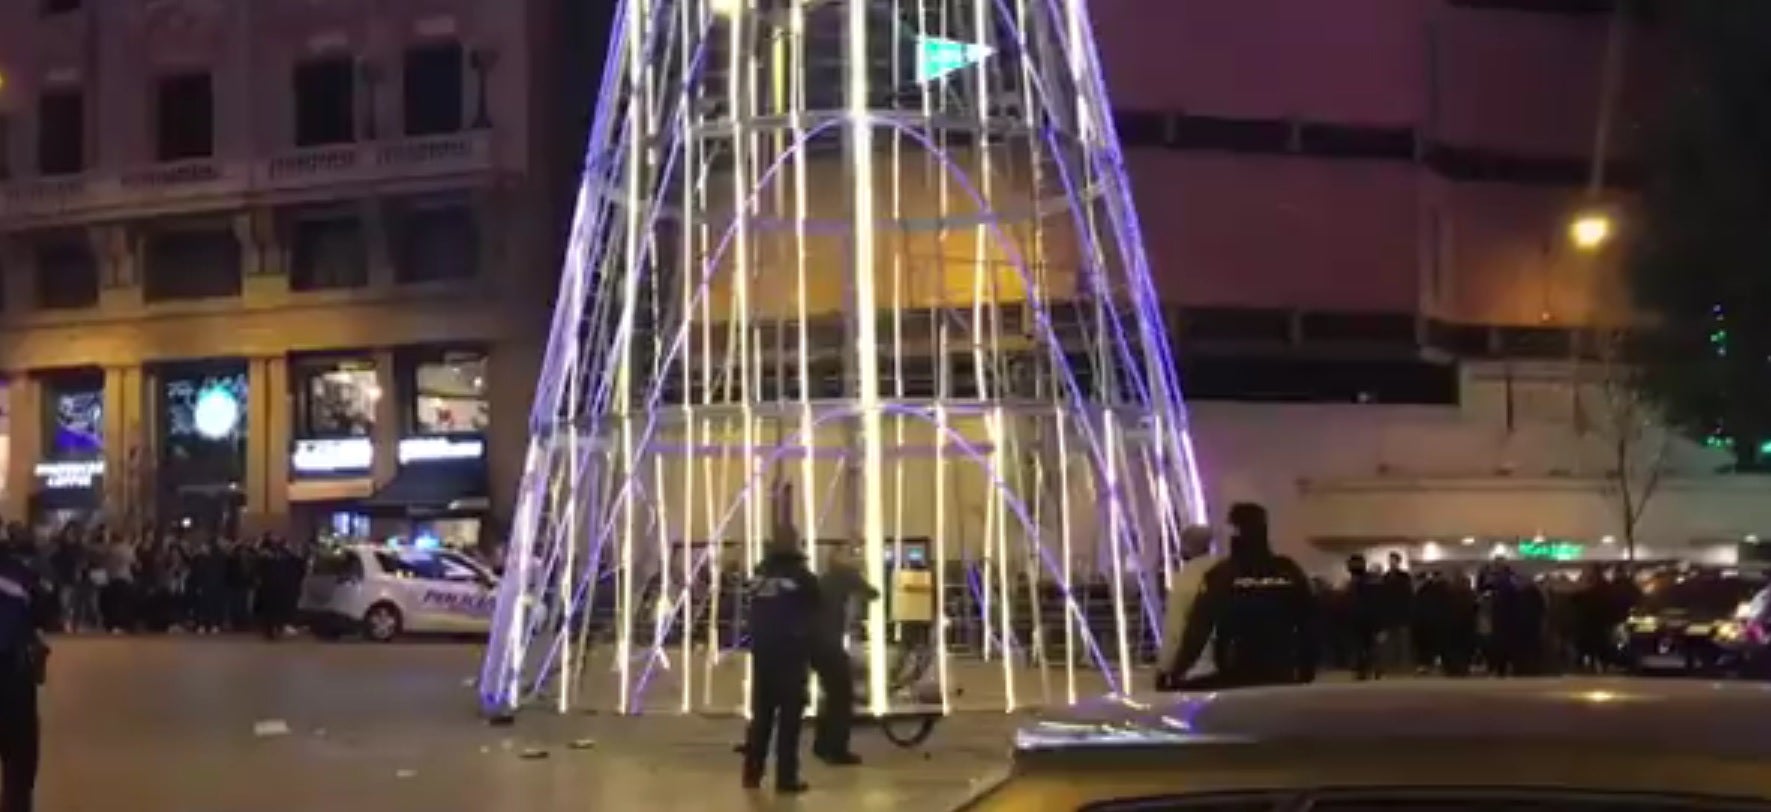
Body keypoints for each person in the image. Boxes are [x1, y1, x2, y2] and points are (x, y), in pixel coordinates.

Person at [1164, 503, 1315, 690]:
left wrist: (1175, 673)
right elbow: (1309, 624)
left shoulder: (1223, 574)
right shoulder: (1288, 570)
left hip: (1236, 675)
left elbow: (1199, 629)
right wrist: (1306, 672)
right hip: (1282, 672)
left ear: (1234, 530)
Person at [741, 540, 820, 794]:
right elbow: (817, 607)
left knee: (761, 717)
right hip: (792, 657)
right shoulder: (803, 579)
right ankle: (786, 777)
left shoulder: (758, 580)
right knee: (789, 721)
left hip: (763, 656)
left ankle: (752, 773)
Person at [809, 544, 877, 766]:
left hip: (815, 644)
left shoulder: (824, 578)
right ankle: (836, 749)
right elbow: (873, 594)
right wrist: (860, 572)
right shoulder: (846, 576)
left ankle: (821, 744)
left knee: (830, 695)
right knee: (841, 696)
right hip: (830, 645)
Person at [0, 539, 51, 812]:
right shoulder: (18, 572)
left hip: (13, 670)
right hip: (13, 675)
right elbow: (45, 611)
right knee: (19, 763)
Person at [1155, 524, 1220, 690]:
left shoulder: (1185, 580)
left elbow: (1175, 631)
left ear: (1185, 547)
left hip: (1196, 667)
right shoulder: (1225, 569)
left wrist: (1164, 669)